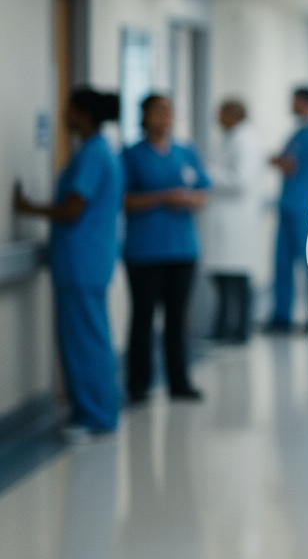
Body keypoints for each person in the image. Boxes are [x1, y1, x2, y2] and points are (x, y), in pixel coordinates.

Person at [13, 88, 123, 441]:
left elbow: (74, 209)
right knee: (89, 337)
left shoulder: (93, 154)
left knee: (84, 340)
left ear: (83, 114)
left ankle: (94, 416)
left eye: (69, 109)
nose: (64, 116)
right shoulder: (100, 150)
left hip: (81, 261)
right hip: (88, 259)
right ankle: (96, 412)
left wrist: (29, 208)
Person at [122, 94, 211, 403]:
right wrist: (163, 197)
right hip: (144, 252)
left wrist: (189, 199)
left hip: (182, 250)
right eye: (158, 111)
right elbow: (123, 201)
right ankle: (138, 384)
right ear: (144, 116)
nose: (164, 117)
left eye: (168, 111)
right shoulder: (131, 155)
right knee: (143, 319)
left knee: (177, 320)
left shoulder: (186, 153)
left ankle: (179, 382)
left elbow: (203, 192)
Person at [267, 86, 308, 333]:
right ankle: (281, 317)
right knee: (281, 264)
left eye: (294, 101)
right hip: (287, 205)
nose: (291, 106)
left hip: (306, 207)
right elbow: (285, 161)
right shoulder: (296, 133)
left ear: (305, 102)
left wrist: (285, 163)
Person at [203, 99, 265, 343]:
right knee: (224, 281)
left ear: (234, 114)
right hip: (227, 220)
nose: (217, 119)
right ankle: (224, 330)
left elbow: (241, 181)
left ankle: (239, 332)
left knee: (236, 282)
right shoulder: (230, 139)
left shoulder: (246, 140)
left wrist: (208, 173)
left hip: (237, 221)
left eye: (221, 113)